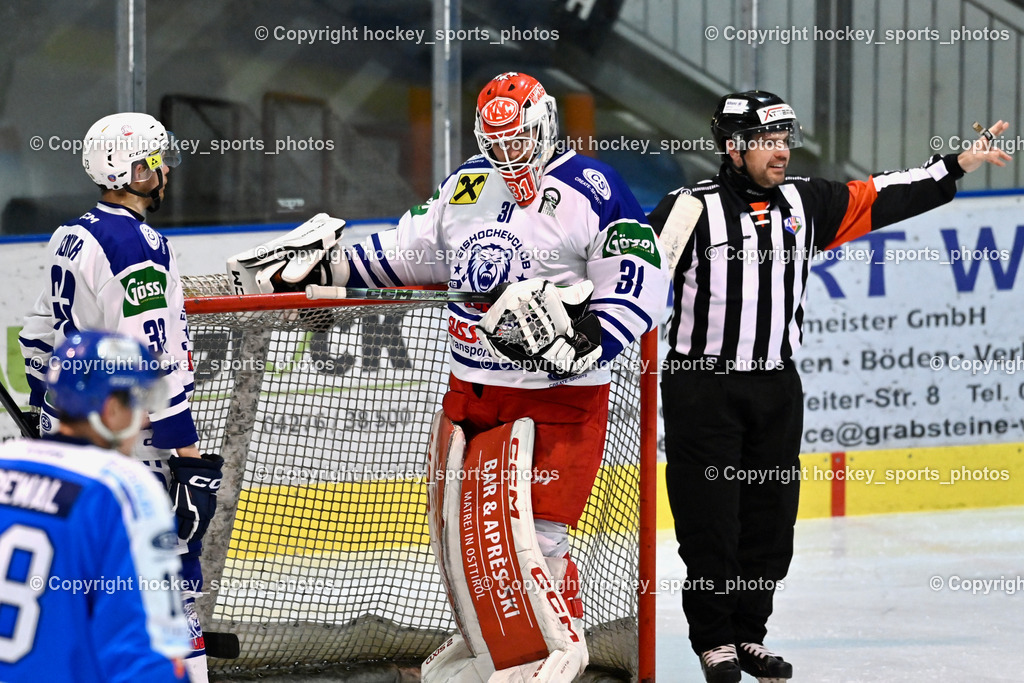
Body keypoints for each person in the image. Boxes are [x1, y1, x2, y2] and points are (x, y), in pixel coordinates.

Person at [227, 71, 671, 682]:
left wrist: (590, 340)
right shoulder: (468, 185)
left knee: (534, 543)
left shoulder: (594, 187)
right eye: (498, 143)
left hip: (556, 400)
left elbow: (638, 277)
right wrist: (326, 265)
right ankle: (492, 648)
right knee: (465, 547)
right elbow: (406, 255)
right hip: (471, 392)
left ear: (542, 126)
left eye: (519, 140)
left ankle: (553, 653)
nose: (509, 155)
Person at [648, 90, 1011, 683]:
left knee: (770, 526)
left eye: (785, 140)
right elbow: (632, 279)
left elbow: (883, 195)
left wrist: (957, 166)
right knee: (710, 522)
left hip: (776, 388)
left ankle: (748, 634)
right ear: (734, 148)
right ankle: (713, 639)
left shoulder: (805, 203)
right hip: (701, 390)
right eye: (767, 142)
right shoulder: (687, 209)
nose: (781, 152)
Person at [18, 113, 222, 682]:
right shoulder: (140, 246)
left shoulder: (72, 235)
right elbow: (153, 362)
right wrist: (187, 456)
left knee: (85, 572)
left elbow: (37, 334)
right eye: (151, 162)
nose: (160, 172)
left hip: (74, 431)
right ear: (126, 169)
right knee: (171, 575)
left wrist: (45, 410)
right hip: (134, 441)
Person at [0, 330, 191, 681]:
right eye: (138, 401)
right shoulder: (125, 488)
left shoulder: (5, 460)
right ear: (112, 409)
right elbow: (144, 653)